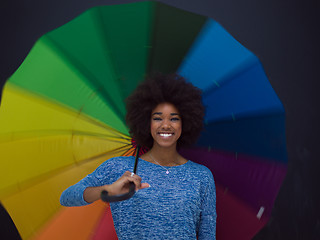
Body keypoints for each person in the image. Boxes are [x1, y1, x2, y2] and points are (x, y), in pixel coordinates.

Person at [60, 73, 216, 239]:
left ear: (185, 123)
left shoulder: (201, 176)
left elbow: (208, 235)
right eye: (157, 118)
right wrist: (109, 190)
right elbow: (67, 197)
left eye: (174, 119)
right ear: (145, 122)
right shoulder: (118, 167)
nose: (165, 125)